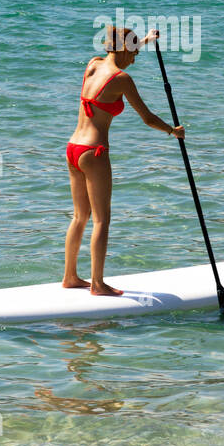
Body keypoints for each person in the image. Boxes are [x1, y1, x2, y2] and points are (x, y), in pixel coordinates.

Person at [64, 26, 183, 296]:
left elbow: (118, 50)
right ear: (124, 49)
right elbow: (148, 118)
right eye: (135, 51)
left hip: (73, 148)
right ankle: (97, 284)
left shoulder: (93, 65)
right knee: (101, 220)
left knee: (80, 216)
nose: (136, 56)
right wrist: (172, 131)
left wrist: (144, 40)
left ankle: (70, 276)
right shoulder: (122, 79)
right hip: (94, 152)